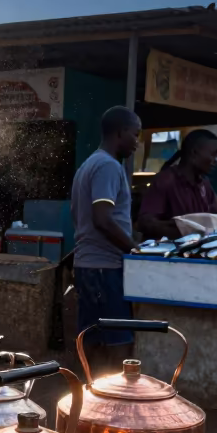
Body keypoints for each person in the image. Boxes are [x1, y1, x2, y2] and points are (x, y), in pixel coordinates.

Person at [70, 106, 142, 376]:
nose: (137, 141)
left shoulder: (91, 163)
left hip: (91, 265)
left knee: (92, 337)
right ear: (121, 132)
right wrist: (134, 249)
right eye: (135, 134)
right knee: (118, 342)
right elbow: (102, 218)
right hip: (103, 268)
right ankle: (111, 400)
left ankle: (90, 394)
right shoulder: (108, 166)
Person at [137, 129, 217, 239]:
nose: (216, 160)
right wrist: (182, 230)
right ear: (194, 153)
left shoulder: (205, 184)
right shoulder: (165, 180)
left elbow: (215, 217)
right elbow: (145, 223)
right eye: (212, 154)